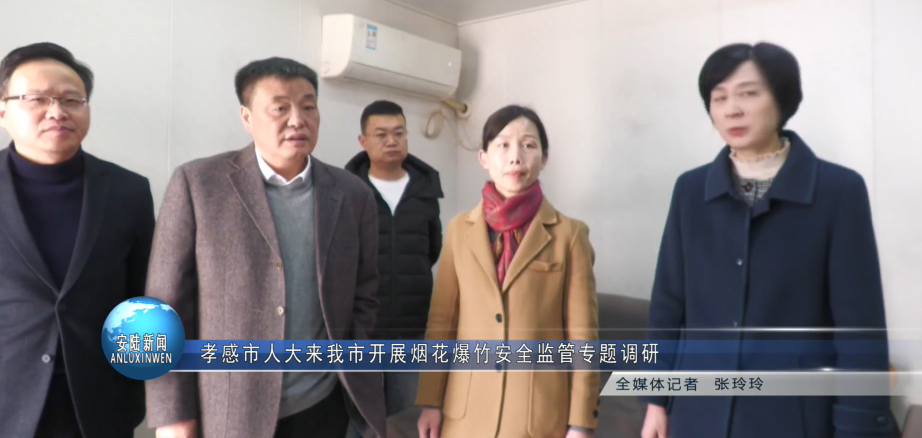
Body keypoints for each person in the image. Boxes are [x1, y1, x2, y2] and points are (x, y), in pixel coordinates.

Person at [640, 42, 898, 438]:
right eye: (719, 98)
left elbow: (859, 328)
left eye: (748, 93)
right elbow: (667, 306)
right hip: (698, 414)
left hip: (795, 418)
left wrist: (857, 426)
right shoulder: (690, 190)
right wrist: (656, 401)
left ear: (782, 99)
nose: (732, 109)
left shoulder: (838, 191)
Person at [145, 57, 386, 438]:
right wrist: (173, 417)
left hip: (323, 405)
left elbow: (364, 294)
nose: (297, 120)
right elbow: (164, 309)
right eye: (280, 108)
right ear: (247, 117)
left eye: (308, 107)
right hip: (230, 409)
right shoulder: (199, 184)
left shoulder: (352, 194)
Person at [0, 42, 155, 438]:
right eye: (37, 99)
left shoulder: (129, 191)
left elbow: (142, 300)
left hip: (100, 406)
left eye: (72, 99)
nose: (57, 111)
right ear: (3, 110)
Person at [416, 105, 599, 438]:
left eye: (528, 145)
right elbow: (442, 322)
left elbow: (582, 337)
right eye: (503, 145)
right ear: (484, 158)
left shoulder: (570, 236)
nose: (515, 157)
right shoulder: (459, 230)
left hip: (537, 418)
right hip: (465, 416)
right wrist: (431, 401)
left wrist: (580, 423)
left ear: (544, 158)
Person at [344, 100, 443, 436]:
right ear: (363, 141)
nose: (392, 141)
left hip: (412, 329)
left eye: (399, 133)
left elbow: (431, 251)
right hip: (362, 331)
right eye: (381, 134)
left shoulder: (425, 190)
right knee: (360, 420)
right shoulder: (347, 191)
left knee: (407, 421)